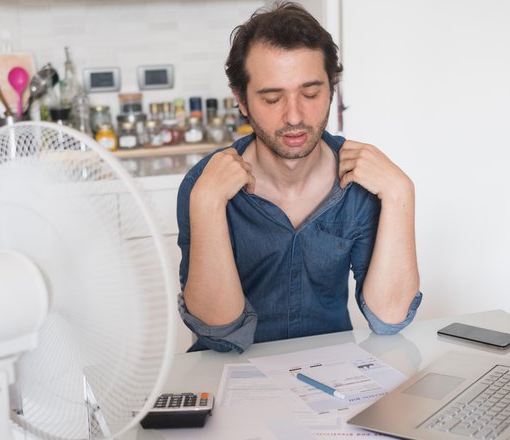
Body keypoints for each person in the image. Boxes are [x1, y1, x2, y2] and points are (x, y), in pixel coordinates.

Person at [176, 1, 422, 353]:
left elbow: (390, 318)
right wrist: (206, 203)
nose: (294, 116)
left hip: (331, 380)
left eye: (310, 93)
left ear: (332, 88)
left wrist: (401, 193)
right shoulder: (204, 185)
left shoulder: (362, 181)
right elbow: (222, 331)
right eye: (272, 98)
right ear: (242, 100)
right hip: (231, 380)